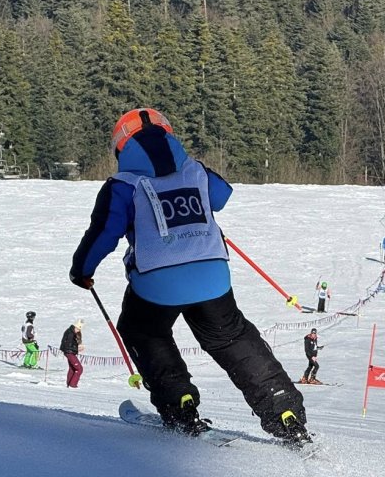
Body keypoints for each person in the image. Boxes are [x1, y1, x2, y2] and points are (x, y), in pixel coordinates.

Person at [69, 108, 311, 446]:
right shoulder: (194, 169)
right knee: (232, 338)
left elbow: (103, 234)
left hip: (157, 282)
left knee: (144, 331)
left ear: (120, 148)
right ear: (169, 135)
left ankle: (179, 403)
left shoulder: (122, 185)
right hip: (211, 274)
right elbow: (222, 195)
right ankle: (284, 411)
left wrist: (82, 271)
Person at [60, 320, 85, 388]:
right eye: (78, 329)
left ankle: (69, 384)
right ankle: (72, 384)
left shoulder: (71, 332)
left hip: (69, 352)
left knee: (72, 368)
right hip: (69, 352)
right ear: (75, 327)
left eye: (79, 329)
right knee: (79, 369)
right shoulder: (70, 333)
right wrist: (77, 348)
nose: (78, 331)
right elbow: (68, 345)